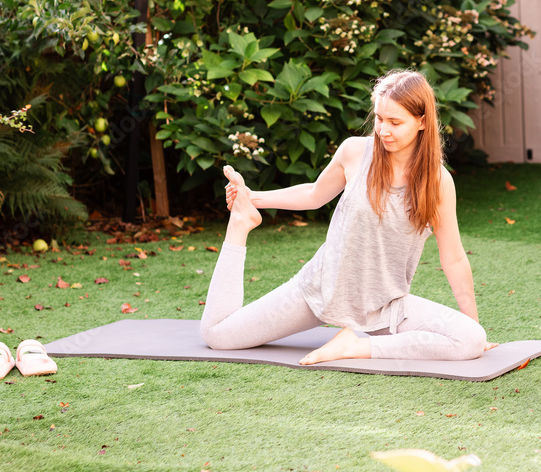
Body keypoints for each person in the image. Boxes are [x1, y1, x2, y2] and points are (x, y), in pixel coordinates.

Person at [200, 69, 497, 365]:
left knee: (470, 339)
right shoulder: (355, 152)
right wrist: (251, 199)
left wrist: (473, 325)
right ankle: (240, 224)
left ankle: (355, 345)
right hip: (319, 291)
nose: (384, 130)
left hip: (385, 307)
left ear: (421, 121)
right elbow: (314, 194)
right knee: (217, 336)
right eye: (379, 119)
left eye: (395, 122)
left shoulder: (438, 182)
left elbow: (453, 257)